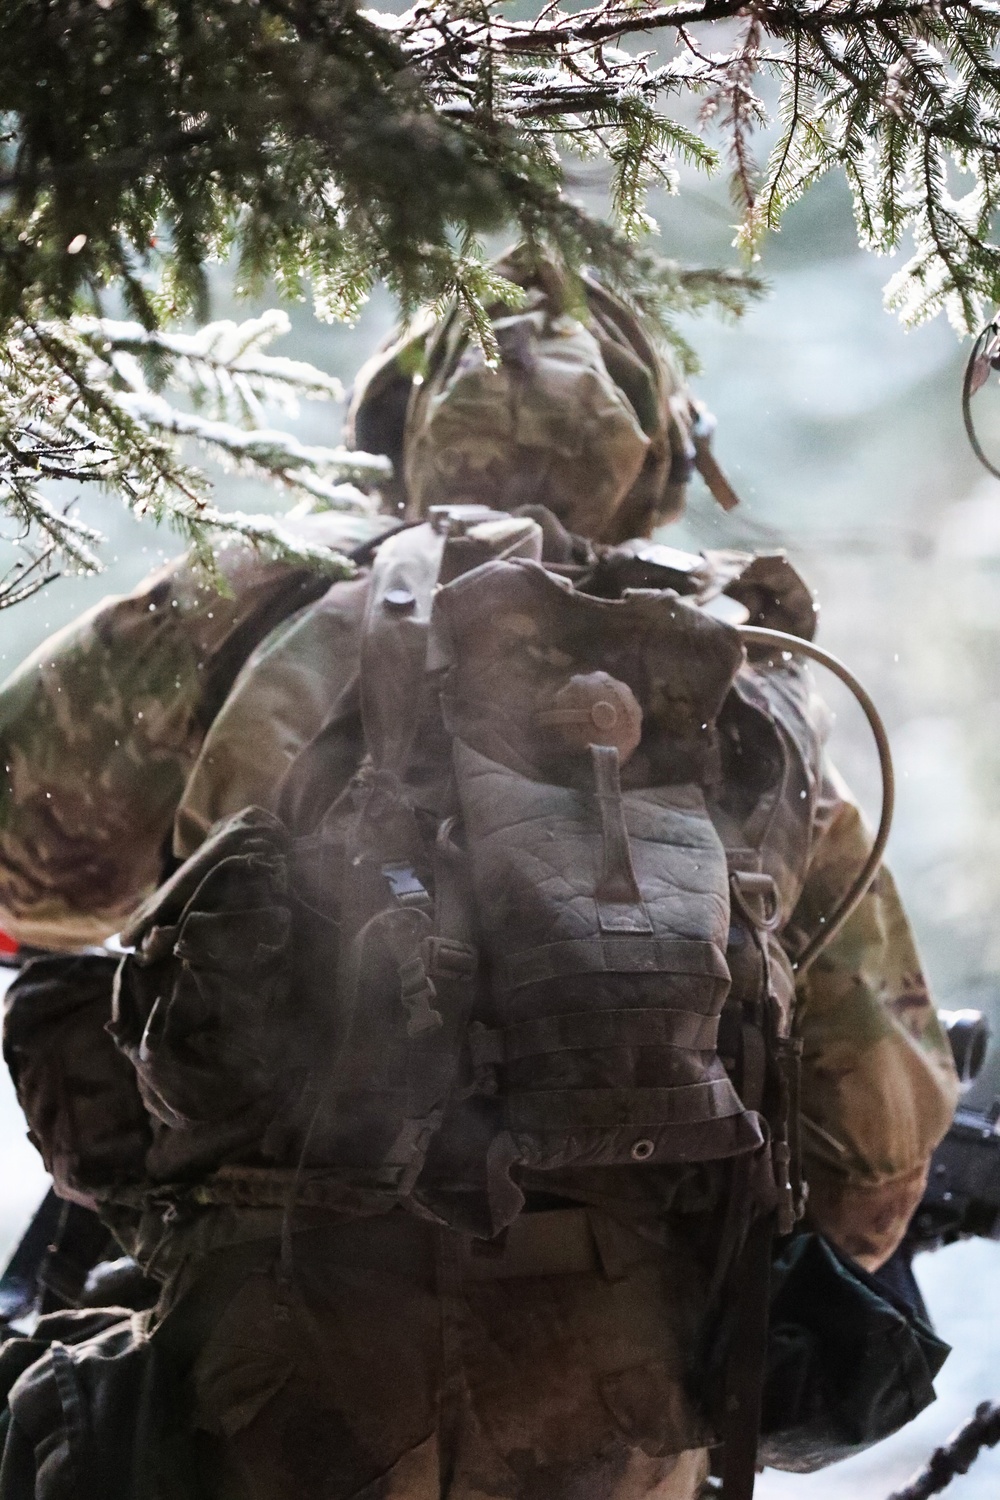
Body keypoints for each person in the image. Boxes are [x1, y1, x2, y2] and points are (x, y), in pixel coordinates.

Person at [0, 254, 958, 1500]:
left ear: (401, 433)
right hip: (625, 1388)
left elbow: (19, 862)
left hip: (277, 1353)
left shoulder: (257, 595)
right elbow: (876, 1149)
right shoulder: (736, 681)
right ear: (656, 461)